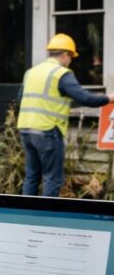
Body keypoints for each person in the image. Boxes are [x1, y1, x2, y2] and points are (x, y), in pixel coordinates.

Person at [17, 33, 114, 197]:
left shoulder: (31, 72)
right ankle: (47, 219)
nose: (70, 61)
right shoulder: (62, 73)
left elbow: (22, 98)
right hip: (47, 131)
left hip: (26, 129)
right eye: (71, 57)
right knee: (52, 178)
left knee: (32, 176)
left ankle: (28, 218)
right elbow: (84, 98)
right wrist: (109, 98)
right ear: (64, 55)